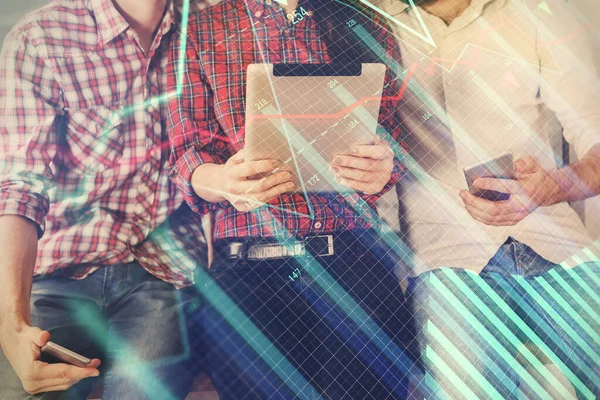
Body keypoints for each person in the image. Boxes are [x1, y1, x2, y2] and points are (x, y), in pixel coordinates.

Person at [167, 0, 418, 398]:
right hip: (249, 264)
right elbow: (185, 156)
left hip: (351, 256)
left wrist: (384, 167)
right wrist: (224, 181)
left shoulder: (360, 20)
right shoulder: (198, 31)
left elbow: (393, 136)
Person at [374, 0, 600, 397]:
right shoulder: (372, 22)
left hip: (555, 241)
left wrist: (552, 187)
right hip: (445, 258)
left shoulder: (536, 11)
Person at [0, 0, 211, 398]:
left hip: (162, 275)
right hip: (54, 273)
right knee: (30, 388)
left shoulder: (209, 27)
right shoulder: (41, 38)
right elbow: (18, 188)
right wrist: (11, 323)